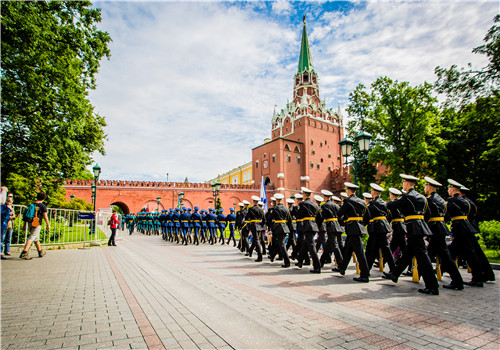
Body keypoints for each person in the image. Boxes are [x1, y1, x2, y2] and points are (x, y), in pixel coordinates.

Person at [382, 174, 439, 295]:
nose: (403, 185)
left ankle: (432, 286)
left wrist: (386, 203)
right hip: (419, 226)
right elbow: (427, 214)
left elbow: (391, 205)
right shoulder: (422, 197)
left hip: (413, 227)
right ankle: (395, 274)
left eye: (403, 183)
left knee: (423, 257)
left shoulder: (407, 197)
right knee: (407, 253)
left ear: (407, 184)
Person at [424, 177, 464, 290]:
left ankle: (456, 281)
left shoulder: (430, 200)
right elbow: (445, 215)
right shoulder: (441, 199)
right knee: (430, 254)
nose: (425, 188)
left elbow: (427, 215)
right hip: (440, 228)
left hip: (435, 229)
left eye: (426, 186)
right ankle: (430, 277)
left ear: (430, 187)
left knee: (444, 257)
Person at [446, 179, 484, 287]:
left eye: (449, 188)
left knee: (450, 254)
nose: (448, 190)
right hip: (466, 227)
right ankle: (477, 278)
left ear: (453, 189)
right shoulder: (465, 201)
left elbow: (446, 214)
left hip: (459, 228)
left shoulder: (452, 201)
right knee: (470, 254)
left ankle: (457, 280)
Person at [334, 182, 370, 282]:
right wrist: (362, 224)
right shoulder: (362, 202)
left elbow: (339, 213)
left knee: (359, 252)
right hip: (359, 227)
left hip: (351, 227)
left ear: (348, 191)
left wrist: (343, 222)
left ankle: (365, 275)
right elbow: (367, 216)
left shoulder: (348, 201)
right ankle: (342, 268)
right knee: (347, 249)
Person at [460, 186, 495, 282]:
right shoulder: (469, 202)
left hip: (465, 229)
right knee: (476, 252)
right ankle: (487, 274)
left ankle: (479, 276)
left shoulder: (463, 202)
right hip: (469, 228)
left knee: (472, 253)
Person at [363, 183, 396, 274]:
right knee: (385, 249)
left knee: (372, 249)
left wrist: (363, 224)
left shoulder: (372, 203)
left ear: (374, 192)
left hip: (376, 227)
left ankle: (365, 273)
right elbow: (389, 215)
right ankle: (393, 269)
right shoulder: (384, 203)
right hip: (383, 226)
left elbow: (367, 216)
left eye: (371, 191)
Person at [296, 188, 321, 273]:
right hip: (313, 226)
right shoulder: (315, 205)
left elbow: (299, 216)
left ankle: (317, 266)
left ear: (304, 195)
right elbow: (319, 217)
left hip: (307, 226)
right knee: (305, 244)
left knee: (311, 246)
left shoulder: (303, 204)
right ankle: (300, 261)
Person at [20, 192, 50, 260]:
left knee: (36, 238)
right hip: (37, 223)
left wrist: (24, 225)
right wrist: (48, 224)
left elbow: (26, 215)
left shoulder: (31, 205)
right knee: (32, 237)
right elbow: (45, 216)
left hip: (30, 222)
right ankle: (24, 252)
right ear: (44, 198)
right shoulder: (43, 206)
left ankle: (40, 252)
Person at [318, 190, 343, 270]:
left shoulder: (325, 206)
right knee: (329, 245)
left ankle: (341, 264)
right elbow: (340, 216)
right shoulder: (336, 205)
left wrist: (318, 226)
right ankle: (321, 263)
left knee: (335, 245)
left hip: (330, 226)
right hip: (337, 225)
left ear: (325, 197)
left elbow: (322, 217)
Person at [268, 193, 291, 268]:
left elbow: (269, 219)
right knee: (278, 243)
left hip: (277, 227)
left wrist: (270, 226)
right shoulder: (286, 208)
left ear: (276, 200)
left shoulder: (274, 209)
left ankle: (287, 262)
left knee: (281, 244)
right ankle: (272, 256)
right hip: (284, 227)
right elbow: (289, 219)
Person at [247, 196, 265, 262]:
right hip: (259, 226)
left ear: (253, 201)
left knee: (256, 240)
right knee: (255, 239)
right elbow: (264, 220)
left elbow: (247, 217)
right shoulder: (261, 210)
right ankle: (250, 251)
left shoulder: (251, 209)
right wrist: (261, 226)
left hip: (254, 225)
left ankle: (260, 256)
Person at [1, 192, 16, 259]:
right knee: (2, 238)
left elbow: (14, 215)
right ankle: (1, 251)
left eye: (12, 196)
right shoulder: (3, 205)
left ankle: (7, 250)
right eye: (9, 196)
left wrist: (11, 210)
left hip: (10, 223)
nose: (11, 198)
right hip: (4, 222)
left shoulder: (11, 206)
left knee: (8, 238)